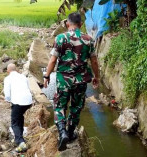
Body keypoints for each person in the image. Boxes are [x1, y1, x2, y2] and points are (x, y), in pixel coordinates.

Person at [44, 13, 100, 151]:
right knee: (76, 107)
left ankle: (62, 132)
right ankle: (70, 132)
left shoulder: (60, 38)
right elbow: (94, 61)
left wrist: (46, 76)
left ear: (67, 24)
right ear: (81, 24)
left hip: (63, 80)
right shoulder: (89, 39)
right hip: (80, 81)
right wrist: (96, 76)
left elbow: (52, 60)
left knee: (60, 106)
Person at [4, 63, 33, 153]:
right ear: (16, 69)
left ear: (8, 70)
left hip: (18, 102)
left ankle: (21, 142)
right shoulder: (23, 77)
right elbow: (28, 88)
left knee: (14, 122)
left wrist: (8, 100)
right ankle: (19, 137)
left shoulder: (7, 78)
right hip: (28, 101)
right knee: (20, 117)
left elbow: (7, 94)